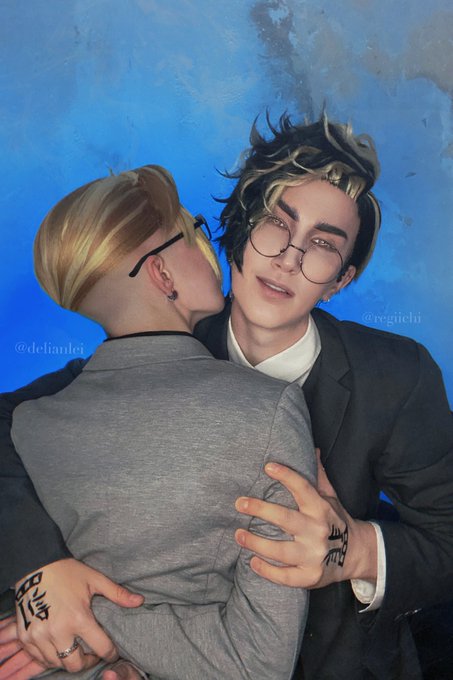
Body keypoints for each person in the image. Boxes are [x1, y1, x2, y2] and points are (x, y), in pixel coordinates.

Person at [1, 114, 452, 679]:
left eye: (322, 245)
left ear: (341, 280)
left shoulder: (398, 375)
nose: (288, 258)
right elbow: (9, 422)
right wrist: (39, 567)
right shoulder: (155, 350)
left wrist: (354, 550)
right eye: (276, 224)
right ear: (237, 226)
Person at [0, 164, 316, 679]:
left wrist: (76, 611)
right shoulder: (270, 408)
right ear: (162, 274)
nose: (211, 248)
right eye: (194, 231)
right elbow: (257, 663)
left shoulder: (27, 423)